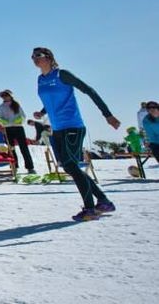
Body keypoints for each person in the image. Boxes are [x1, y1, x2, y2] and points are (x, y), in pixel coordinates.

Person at [31, 46, 120, 221]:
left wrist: (107, 115)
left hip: (72, 126)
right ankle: (103, 201)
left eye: (38, 55)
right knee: (68, 166)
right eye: (32, 56)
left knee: (71, 166)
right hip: (57, 128)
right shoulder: (40, 79)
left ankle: (90, 209)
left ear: (49, 57)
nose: (35, 58)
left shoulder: (62, 74)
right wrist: (42, 112)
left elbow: (89, 90)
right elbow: (52, 99)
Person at [0, 90, 35, 175]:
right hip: (8, 129)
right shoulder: (1, 107)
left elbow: (23, 116)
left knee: (24, 148)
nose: (5, 97)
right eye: (3, 96)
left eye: (6, 95)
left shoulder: (16, 104)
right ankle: (14, 167)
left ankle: (30, 168)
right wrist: (2, 122)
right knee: (11, 149)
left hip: (18, 128)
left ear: (10, 96)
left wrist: (19, 120)